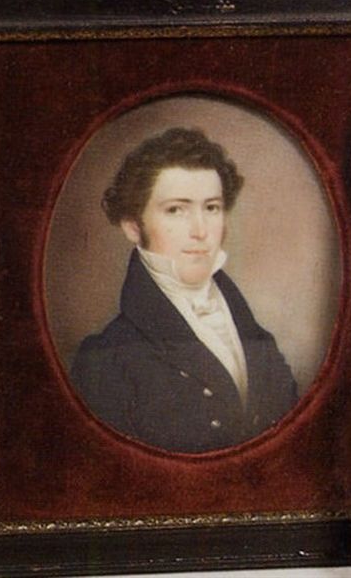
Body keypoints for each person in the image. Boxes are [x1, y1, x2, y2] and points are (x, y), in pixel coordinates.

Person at [71, 127, 297, 453]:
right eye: (176, 210)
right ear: (133, 226)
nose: (200, 231)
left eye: (211, 207)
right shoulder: (106, 359)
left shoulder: (254, 334)